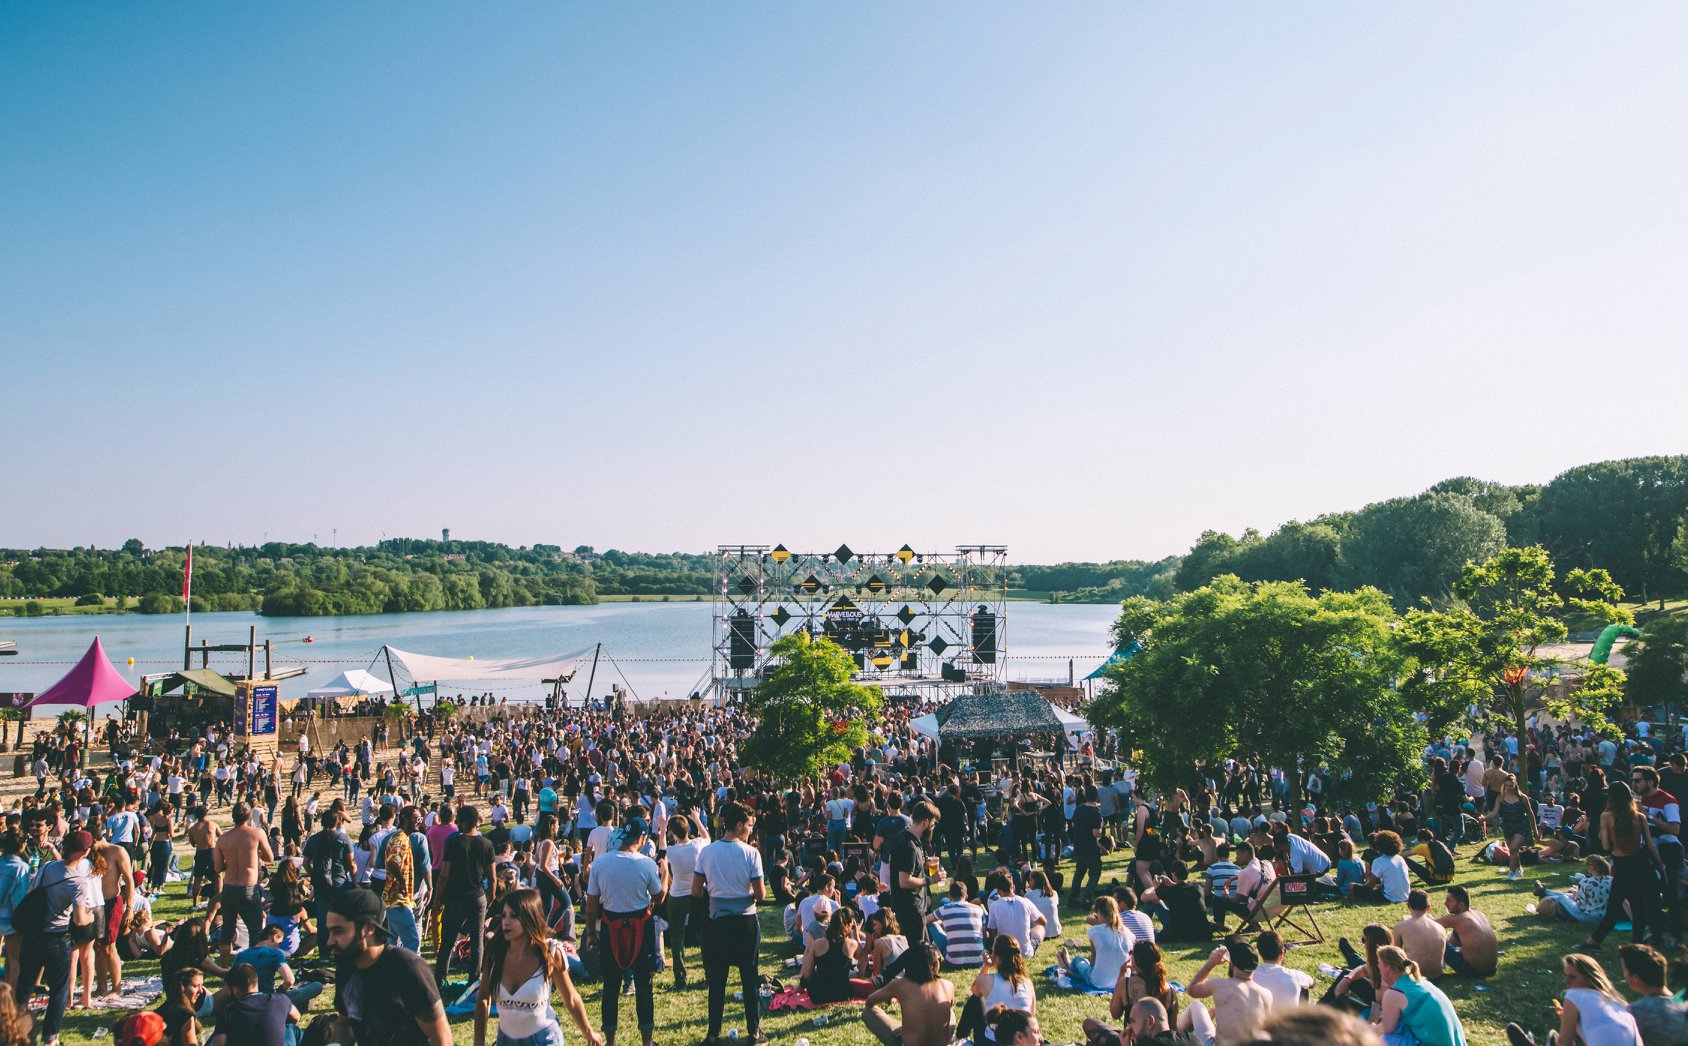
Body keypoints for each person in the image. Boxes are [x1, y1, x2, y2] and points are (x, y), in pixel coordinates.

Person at [472, 888, 602, 1046]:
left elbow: (571, 999)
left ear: (530, 918)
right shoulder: (495, 952)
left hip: (543, 1039)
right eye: (504, 915)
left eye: (514, 916)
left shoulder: (550, 953)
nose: (506, 921)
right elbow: (483, 998)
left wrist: (588, 1032)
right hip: (505, 1040)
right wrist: (478, 1042)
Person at [323, 887, 449, 1046]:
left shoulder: (408, 968)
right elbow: (346, 1023)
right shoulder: (346, 967)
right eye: (329, 932)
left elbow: (441, 1037)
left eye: (338, 931)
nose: (329, 941)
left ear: (369, 928)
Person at [583, 815, 665, 1046]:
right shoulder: (646, 864)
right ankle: (646, 1042)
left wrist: (591, 932)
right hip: (640, 924)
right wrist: (665, 874)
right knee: (644, 985)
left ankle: (610, 1041)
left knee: (611, 986)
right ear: (641, 837)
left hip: (611, 924)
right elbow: (658, 897)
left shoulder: (601, 863)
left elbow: (591, 903)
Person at [692, 801, 765, 1046]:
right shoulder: (751, 853)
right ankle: (754, 1033)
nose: (751, 831)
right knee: (749, 978)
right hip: (745, 921)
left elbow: (696, 890)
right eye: (750, 826)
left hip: (717, 922)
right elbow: (761, 894)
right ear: (738, 825)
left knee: (717, 981)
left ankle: (713, 1034)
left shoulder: (707, 852)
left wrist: (717, 889)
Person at [15, 828, 94, 1046]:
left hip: (33, 935)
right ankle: (51, 1038)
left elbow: (32, 893)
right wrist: (89, 916)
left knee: (24, 988)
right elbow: (79, 919)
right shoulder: (78, 881)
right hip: (56, 939)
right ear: (83, 853)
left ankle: (14, 1034)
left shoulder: (48, 866)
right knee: (58, 991)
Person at [1581, 781, 1661, 950]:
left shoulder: (1607, 816)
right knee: (1637, 905)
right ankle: (1636, 942)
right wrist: (1661, 868)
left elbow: (1604, 846)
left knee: (1614, 906)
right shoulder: (1639, 816)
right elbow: (1650, 846)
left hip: (1622, 863)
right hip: (1640, 863)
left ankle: (1595, 941)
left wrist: (1601, 832)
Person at [432, 804, 497, 986]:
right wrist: (491, 898)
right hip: (477, 897)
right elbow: (492, 876)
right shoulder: (486, 844)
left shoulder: (454, 842)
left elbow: (444, 874)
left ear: (465, 822)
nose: (457, 824)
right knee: (477, 941)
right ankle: (473, 980)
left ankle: (439, 979)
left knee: (448, 940)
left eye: (459, 821)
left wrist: (437, 899)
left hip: (454, 897)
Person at [1369, 945, 1466, 1046]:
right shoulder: (1418, 981)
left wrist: (1371, 1027)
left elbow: (1386, 1029)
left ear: (1389, 968)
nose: (1378, 966)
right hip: (1454, 1042)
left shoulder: (1394, 993)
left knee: (1374, 1039)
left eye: (1379, 963)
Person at [862, 941, 955, 1046]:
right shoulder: (948, 985)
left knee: (867, 1012)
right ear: (935, 964)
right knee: (949, 1011)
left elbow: (870, 1001)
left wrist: (890, 994)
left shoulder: (900, 985)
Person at [1181, 940, 1272, 1046]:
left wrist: (1211, 963)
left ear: (1232, 964)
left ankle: (1171, 1037)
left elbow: (1192, 990)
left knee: (1195, 1005)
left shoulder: (1219, 984)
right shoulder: (1266, 994)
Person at [213, 804, 274, 961]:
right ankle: (253, 966)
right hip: (247, 887)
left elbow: (218, 867)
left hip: (228, 887)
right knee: (255, 929)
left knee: (227, 929)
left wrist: (232, 861)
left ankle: (224, 969)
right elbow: (270, 858)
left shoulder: (223, 839)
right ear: (249, 816)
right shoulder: (256, 833)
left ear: (233, 817)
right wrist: (254, 854)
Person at [956, 935, 1036, 1044]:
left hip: (993, 1041)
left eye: (993, 952)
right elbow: (1032, 1015)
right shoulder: (1028, 983)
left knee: (975, 1000)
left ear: (997, 958)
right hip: (1021, 1041)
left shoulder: (987, 981)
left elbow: (974, 990)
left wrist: (986, 966)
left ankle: (961, 1035)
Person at [887, 801, 945, 947]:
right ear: (925, 822)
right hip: (910, 908)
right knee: (919, 952)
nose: (934, 826)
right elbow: (904, 881)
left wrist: (922, 866)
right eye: (933, 823)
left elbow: (906, 867)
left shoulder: (910, 839)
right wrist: (931, 879)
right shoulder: (909, 846)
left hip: (911, 906)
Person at [661, 814, 706, 990]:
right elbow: (707, 837)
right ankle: (709, 975)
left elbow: (661, 851)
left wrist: (662, 830)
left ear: (673, 833)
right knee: (703, 934)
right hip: (697, 892)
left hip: (678, 894)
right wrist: (698, 820)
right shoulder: (697, 845)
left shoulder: (672, 851)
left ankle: (680, 979)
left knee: (677, 938)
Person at [302, 810, 353, 963]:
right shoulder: (343, 838)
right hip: (339, 882)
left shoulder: (314, 839)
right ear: (337, 822)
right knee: (341, 918)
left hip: (320, 883)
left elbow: (305, 863)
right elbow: (350, 863)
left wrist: (313, 875)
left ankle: (324, 954)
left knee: (323, 919)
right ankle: (341, 950)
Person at [208, 964, 298, 1046]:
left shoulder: (228, 1011)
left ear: (235, 989)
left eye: (228, 989)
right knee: (291, 1027)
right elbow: (296, 1017)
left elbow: (218, 1044)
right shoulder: (280, 1000)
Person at [1058, 895, 1132, 994]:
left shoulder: (1095, 931)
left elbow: (1092, 963)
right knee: (1090, 968)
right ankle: (1068, 966)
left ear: (1100, 913)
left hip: (1099, 982)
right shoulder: (1128, 932)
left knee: (1079, 961)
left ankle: (1068, 966)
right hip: (1123, 980)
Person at [1618, 943, 1687, 1046]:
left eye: (1624, 970)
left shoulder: (1635, 1012)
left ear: (1636, 978)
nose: (1624, 975)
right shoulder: (1683, 1005)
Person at [800, 907, 872, 1003]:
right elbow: (863, 955)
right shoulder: (852, 944)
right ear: (848, 925)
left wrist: (798, 989)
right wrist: (861, 976)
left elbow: (807, 974)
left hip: (818, 994)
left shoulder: (817, 944)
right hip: (842, 993)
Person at [1436, 885, 1496, 979]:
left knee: (1436, 936)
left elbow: (1427, 925)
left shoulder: (1458, 919)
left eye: (1449, 900)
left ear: (1460, 904)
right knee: (1456, 933)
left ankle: (1432, 967)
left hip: (1474, 972)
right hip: (1491, 970)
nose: (1445, 903)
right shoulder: (1480, 914)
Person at [1533, 855, 1612, 925]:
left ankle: (1544, 891)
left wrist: (1576, 896)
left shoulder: (1586, 882)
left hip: (1589, 918)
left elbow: (1581, 905)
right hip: (1607, 918)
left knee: (1561, 897)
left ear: (1591, 867)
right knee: (1567, 896)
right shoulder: (1612, 880)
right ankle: (1544, 891)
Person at [986, 871, 1047, 958]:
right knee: (1040, 928)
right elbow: (1043, 922)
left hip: (1004, 954)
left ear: (999, 891)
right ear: (1013, 887)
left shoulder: (994, 906)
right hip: (1025, 953)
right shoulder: (1025, 901)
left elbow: (992, 931)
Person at [1391, 891, 1448, 983]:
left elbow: (1394, 955)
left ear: (1408, 906)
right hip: (1437, 976)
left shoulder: (1400, 927)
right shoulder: (1440, 927)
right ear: (1428, 907)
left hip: (1414, 977)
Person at [927, 880, 985, 967]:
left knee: (932, 925)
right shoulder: (978, 909)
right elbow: (983, 934)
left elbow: (926, 920)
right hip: (979, 960)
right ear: (966, 896)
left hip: (954, 961)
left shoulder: (945, 909)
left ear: (950, 897)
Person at [1251, 930, 1312, 1008]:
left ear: (1259, 953)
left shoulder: (1250, 975)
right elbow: (1312, 983)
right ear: (1282, 954)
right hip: (1288, 1019)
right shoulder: (1296, 976)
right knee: (1304, 987)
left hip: (1259, 1018)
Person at [154, 967, 206, 1046]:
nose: (201, 991)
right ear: (182, 988)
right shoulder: (185, 1016)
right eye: (195, 986)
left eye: (201, 986)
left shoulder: (161, 1009)